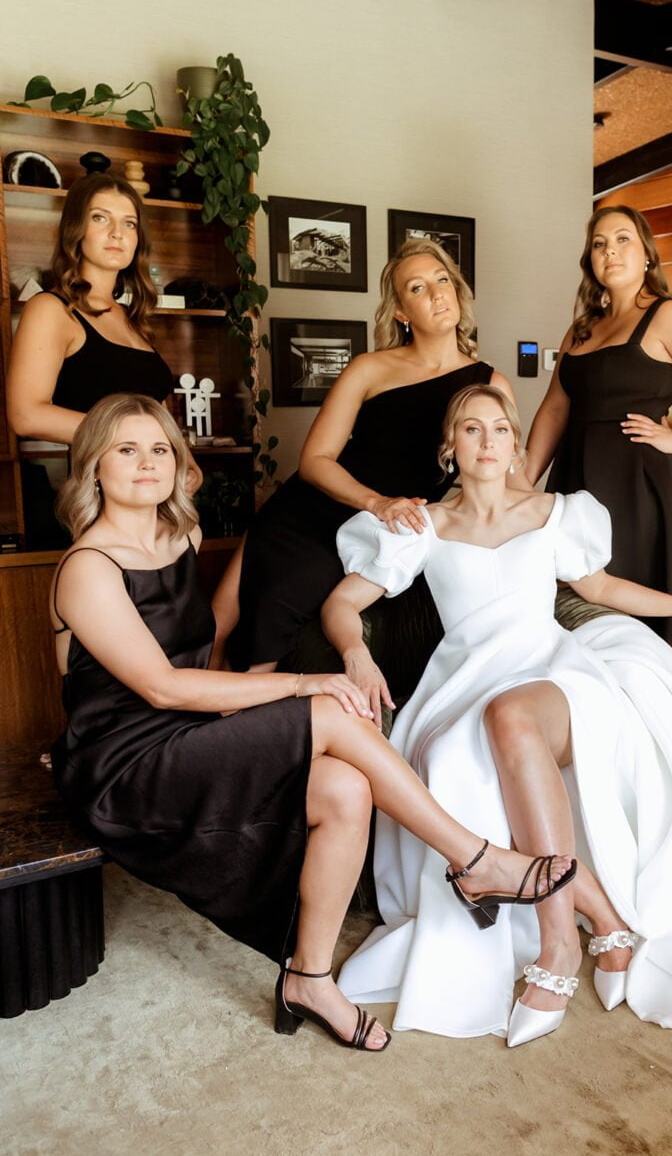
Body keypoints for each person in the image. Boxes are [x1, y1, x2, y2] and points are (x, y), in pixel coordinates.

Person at [49, 392, 575, 1053]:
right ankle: (475, 858)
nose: (148, 463)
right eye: (126, 450)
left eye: (159, 448)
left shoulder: (179, 536)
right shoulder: (88, 567)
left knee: (346, 789)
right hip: (124, 765)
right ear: (94, 466)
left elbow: (194, 648)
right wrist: (301, 682)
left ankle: (309, 977)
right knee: (328, 705)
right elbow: (161, 684)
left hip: (181, 735)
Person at [322, 384, 672, 1044]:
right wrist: (355, 654)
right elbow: (342, 603)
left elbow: (598, 586)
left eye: (499, 429)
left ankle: (558, 944)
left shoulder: (557, 512)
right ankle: (602, 915)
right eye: (471, 429)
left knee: (511, 715)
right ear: (450, 446)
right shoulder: (421, 527)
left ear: (516, 445)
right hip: (460, 686)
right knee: (459, 748)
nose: (487, 442)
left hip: (555, 674)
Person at [212, 238, 520, 673]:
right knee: (218, 624)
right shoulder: (370, 368)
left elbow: (510, 472)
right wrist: (377, 502)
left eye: (442, 280)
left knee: (271, 624)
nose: (436, 294)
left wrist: (552, 517)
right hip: (310, 508)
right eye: (417, 288)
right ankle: (191, 702)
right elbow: (315, 460)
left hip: (376, 530)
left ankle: (241, 707)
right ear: (401, 312)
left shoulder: (490, 384)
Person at [524, 205, 672, 700]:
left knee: (644, 585)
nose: (610, 251)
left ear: (647, 253)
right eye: (600, 243)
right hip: (578, 480)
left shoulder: (666, 317)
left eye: (623, 239)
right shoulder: (581, 329)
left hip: (644, 488)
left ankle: (666, 710)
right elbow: (554, 410)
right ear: (590, 260)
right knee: (581, 592)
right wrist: (520, 484)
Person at [7, 172, 201, 493]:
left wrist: (184, 457)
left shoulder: (131, 316)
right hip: (98, 497)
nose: (117, 233)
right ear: (76, 229)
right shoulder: (51, 308)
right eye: (100, 218)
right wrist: (137, 437)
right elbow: (26, 416)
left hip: (154, 493)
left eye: (129, 223)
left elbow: (153, 407)